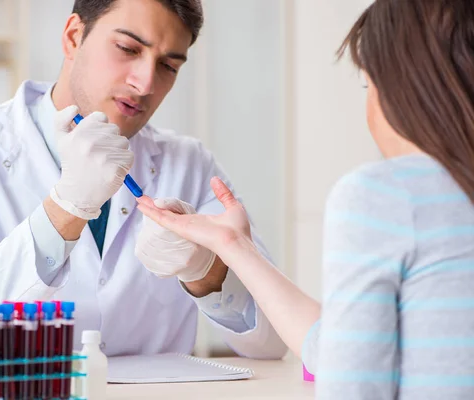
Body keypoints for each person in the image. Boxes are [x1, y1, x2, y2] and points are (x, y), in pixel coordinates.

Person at [0, 0, 287, 358]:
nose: (145, 83)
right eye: (128, 48)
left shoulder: (191, 165)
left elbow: (274, 344)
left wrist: (207, 274)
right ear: (74, 37)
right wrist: (66, 209)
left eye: (169, 65)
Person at [137, 0, 474, 398]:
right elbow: (333, 351)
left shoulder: (385, 196)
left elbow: (349, 386)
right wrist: (235, 247)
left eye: (368, 85)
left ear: (402, 88)